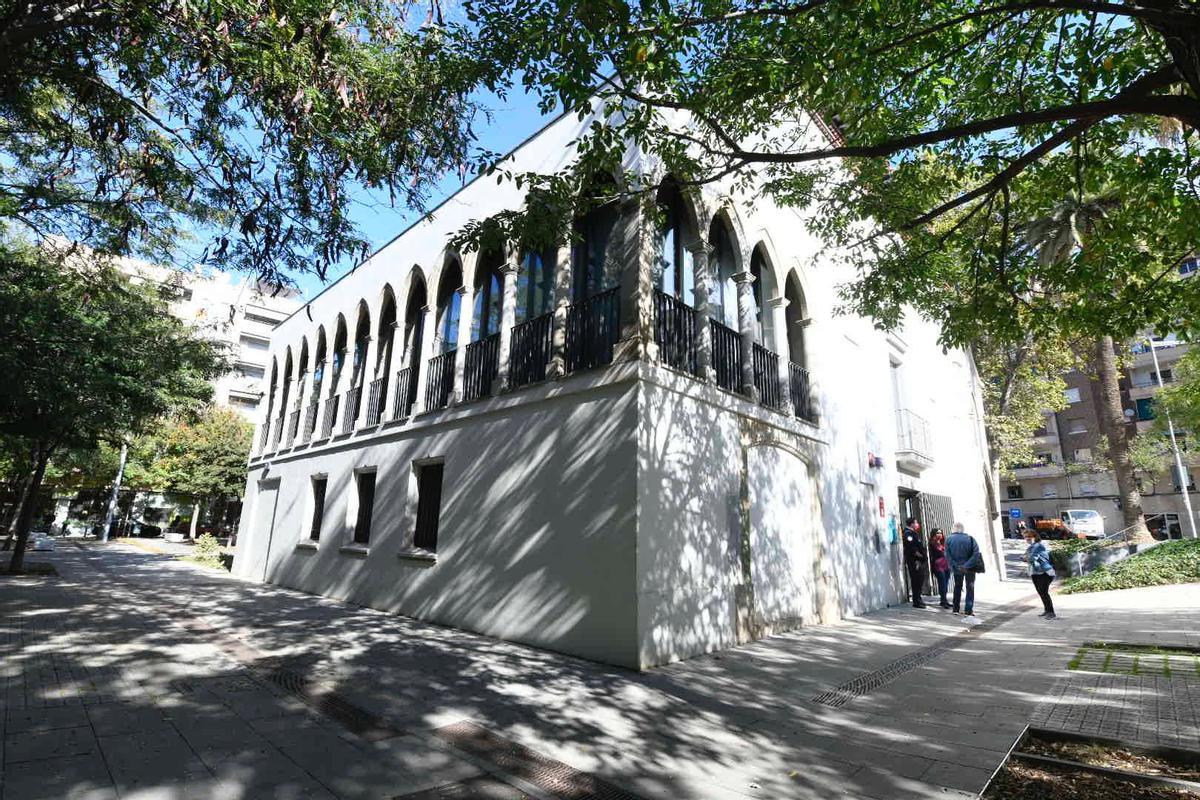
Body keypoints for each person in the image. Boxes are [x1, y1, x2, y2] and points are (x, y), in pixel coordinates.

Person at [946, 522, 983, 618]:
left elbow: (948, 555)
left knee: (957, 587)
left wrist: (955, 565)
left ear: (953, 529)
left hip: (957, 568)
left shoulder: (949, 539)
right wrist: (966, 565)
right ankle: (968, 609)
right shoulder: (970, 539)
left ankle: (955, 608)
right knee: (970, 588)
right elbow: (976, 554)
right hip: (969, 568)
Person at [1023, 527, 1057, 619]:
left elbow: (1030, 558)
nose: (1027, 539)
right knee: (1041, 593)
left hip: (1044, 572)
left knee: (1044, 592)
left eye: (1029, 537)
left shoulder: (1038, 546)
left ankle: (1051, 612)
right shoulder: (1031, 547)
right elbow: (1025, 557)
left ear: (1035, 536)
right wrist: (1026, 557)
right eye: (1025, 537)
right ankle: (1047, 610)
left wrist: (1026, 558)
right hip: (1035, 572)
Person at [901, 517, 928, 609]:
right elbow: (911, 547)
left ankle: (919, 599)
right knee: (916, 580)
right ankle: (916, 601)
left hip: (918, 560)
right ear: (912, 524)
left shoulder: (913, 533)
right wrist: (919, 556)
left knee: (920, 580)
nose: (917, 524)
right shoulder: (908, 534)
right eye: (916, 522)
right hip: (915, 561)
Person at [928, 528, 952, 609]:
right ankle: (943, 600)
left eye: (941, 533)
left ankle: (944, 600)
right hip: (938, 565)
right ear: (934, 534)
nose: (940, 534)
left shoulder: (943, 543)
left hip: (946, 565)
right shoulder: (932, 543)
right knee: (942, 583)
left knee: (946, 582)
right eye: (938, 533)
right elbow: (939, 553)